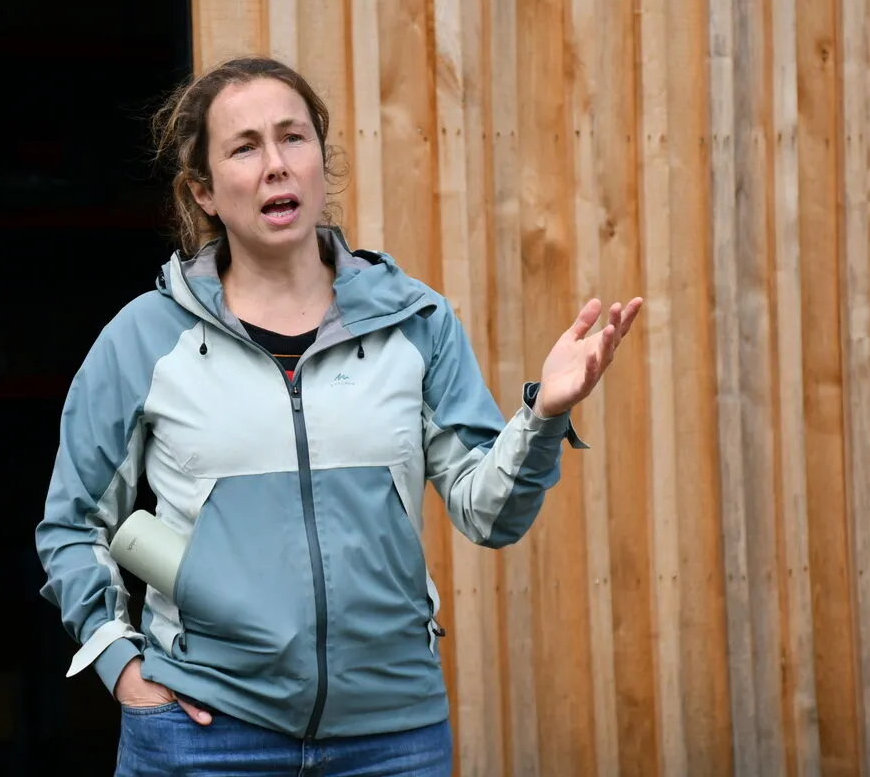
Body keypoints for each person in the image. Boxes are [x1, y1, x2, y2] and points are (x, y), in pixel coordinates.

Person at [35, 56, 642, 776]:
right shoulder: (144, 340)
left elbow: (490, 513)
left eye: (293, 138)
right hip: (204, 737)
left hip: (390, 738)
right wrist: (119, 664)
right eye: (244, 147)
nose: (275, 166)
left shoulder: (416, 323)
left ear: (321, 160)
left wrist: (543, 416)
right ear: (203, 191)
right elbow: (72, 525)